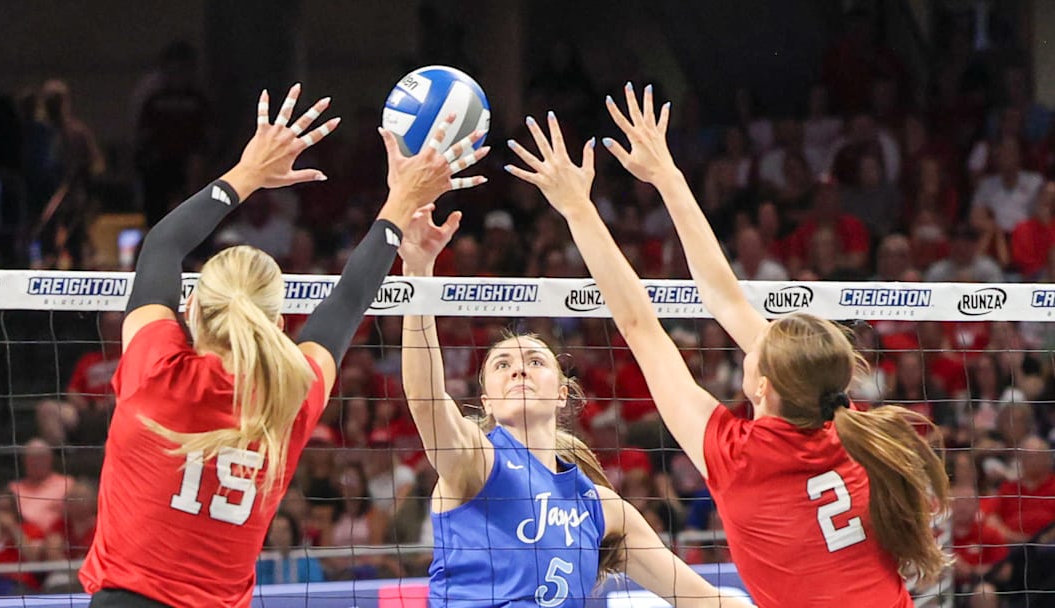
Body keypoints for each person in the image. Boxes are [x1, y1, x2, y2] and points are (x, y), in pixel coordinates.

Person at [504, 84, 950, 608]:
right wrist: (666, 176)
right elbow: (725, 299)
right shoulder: (844, 423)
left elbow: (640, 324)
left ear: (763, 386)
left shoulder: (738, 457)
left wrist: (578, 208)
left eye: (756, 348)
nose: (750, 341)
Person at [78, 85, 489, 607]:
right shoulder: (291, 393)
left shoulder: (155, 368)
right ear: (276, 321)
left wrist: (247, 173)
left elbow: (161, 245)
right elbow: (349, 299)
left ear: (192, 307)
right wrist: (400, 203)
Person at [398, 191, 752, 607]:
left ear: (561, 393)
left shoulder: (602, 507)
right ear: (487, 400)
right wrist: (417, 273)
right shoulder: (475, 461)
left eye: (535, 361)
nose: (519, 370)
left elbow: (702, 599)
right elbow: (425, 399)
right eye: (502, 364)